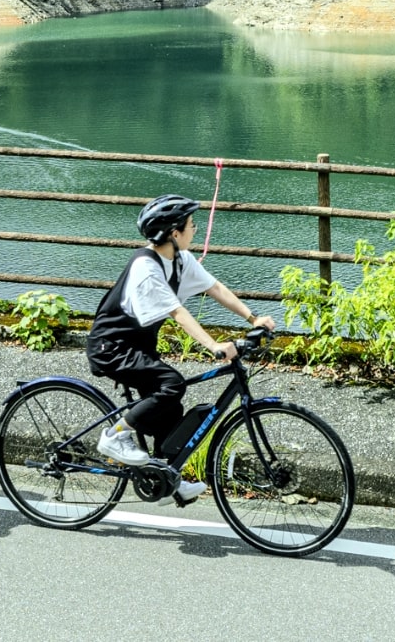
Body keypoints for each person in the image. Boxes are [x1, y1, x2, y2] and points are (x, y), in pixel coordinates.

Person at [86, 193, 272, 500]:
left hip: (138, 348)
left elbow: (215, 288)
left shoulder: (179, 260)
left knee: (171, 407)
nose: (195, 229)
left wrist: (253, 319)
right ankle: (114, 436)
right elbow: (178, 313)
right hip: (112, 348)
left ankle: (168, 474)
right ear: (174, 233)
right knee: (171, 383)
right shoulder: (146, 268)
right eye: (191, 224)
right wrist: (214, 346)